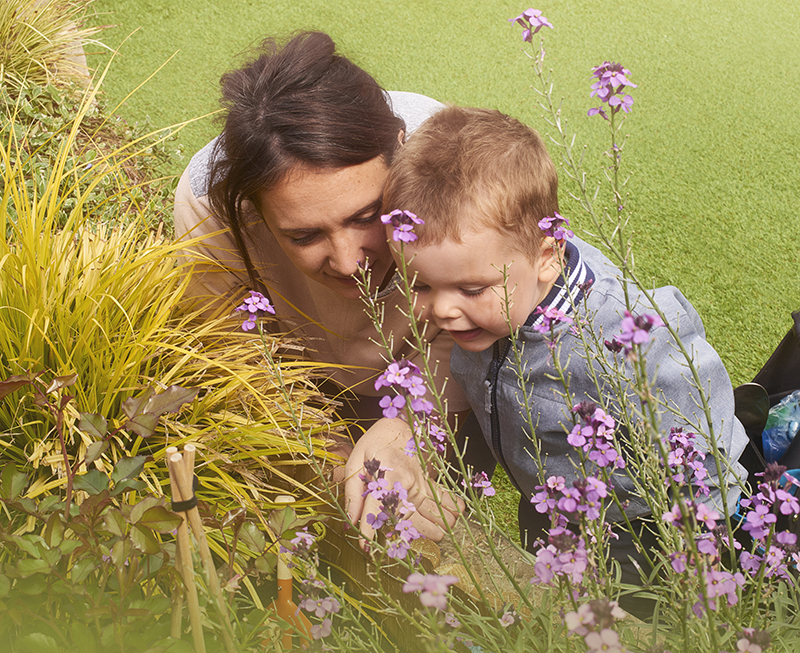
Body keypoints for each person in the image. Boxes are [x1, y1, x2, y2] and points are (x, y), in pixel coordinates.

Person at [368, 105, 749, 612]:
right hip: (550, 503)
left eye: (472, 288)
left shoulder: (621, 334)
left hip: (642, 528)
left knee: (640, 621)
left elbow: (698, 426)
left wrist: (707, 534)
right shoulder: (507, 275)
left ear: (548, 256)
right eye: (420, 285)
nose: (441, 309)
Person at [174, 31, 468, 539]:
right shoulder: (208, 205)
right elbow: (248, 359)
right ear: (253, 211)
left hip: (439, 360)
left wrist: (405, 432)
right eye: (304, 234)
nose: (350, 261)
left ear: (399, 149)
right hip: (312, 376)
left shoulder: (447, 160)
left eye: (368, 215)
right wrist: (337, 466)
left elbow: (479, 306)